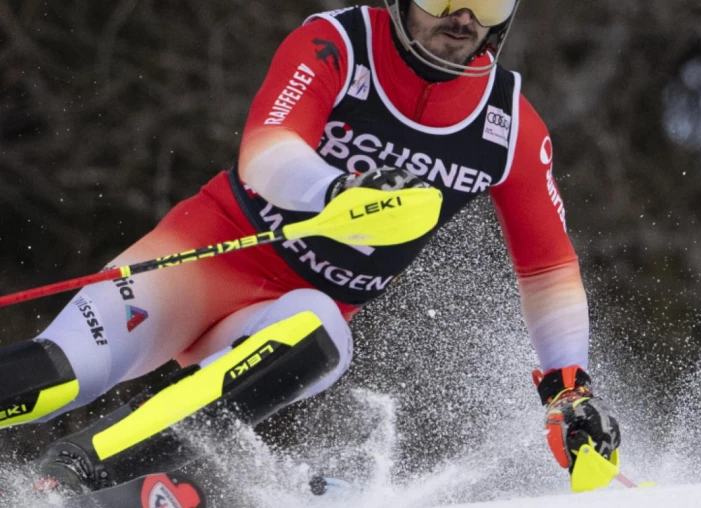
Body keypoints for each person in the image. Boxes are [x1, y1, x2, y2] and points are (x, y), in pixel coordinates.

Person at [0, 0, 620, 493]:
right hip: (204, 259)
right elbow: (265, 151)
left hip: (285, 318)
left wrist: (569, 392)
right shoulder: (340, 43)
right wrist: (338, 191)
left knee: (323, 335)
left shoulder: (508, 124)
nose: (463, 18)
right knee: (62, 374)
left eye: (487, 4)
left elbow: (548, 266)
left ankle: (73, 474)